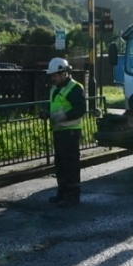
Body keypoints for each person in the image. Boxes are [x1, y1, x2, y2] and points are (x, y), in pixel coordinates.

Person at [41, 58, 86, 208]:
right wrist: (47, 114)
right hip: (59, 132)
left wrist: (64, 116)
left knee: (70, 166)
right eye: (51, 76)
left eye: (54, 75)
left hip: (70, 132)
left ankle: (72, 197)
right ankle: (62, 193)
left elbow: (80, 110)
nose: (52, 78)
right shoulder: (55, 89)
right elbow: (54, 108)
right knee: (60, 165)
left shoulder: (74, 88)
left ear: (63, 73)